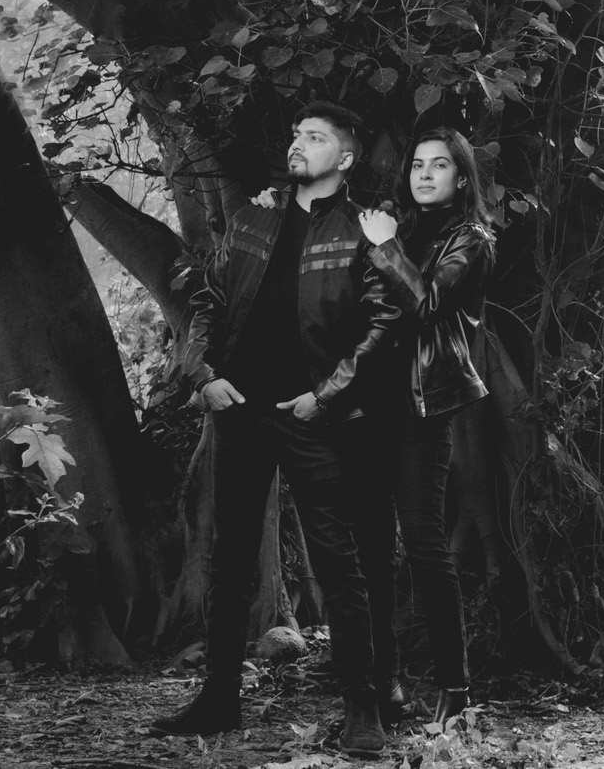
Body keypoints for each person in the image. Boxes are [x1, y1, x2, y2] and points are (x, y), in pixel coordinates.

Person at [150, 103, 399, 754]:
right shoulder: (253, 218)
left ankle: (363, 708)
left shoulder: (360, 231)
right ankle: (218, 699)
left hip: (314, 417)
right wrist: (203, 375)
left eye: (315, 138)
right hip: (240, 410)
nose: (298, 144)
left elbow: (384, 324)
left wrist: (329, 395)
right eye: (296, 134)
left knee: (338, 564)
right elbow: (207, 300)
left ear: (345, 158)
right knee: (229, 561)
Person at [351, 128, 492, 727]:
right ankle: (384, 682)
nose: (425, 175)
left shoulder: (470, 240)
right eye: (417, 165)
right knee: (370, 547)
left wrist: (385, 247)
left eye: (439, 166)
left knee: (425, 545)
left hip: (421, 407)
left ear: (461, 178)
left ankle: (456, 690)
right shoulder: (395, 228)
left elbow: (429, 303)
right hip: (366, 404)